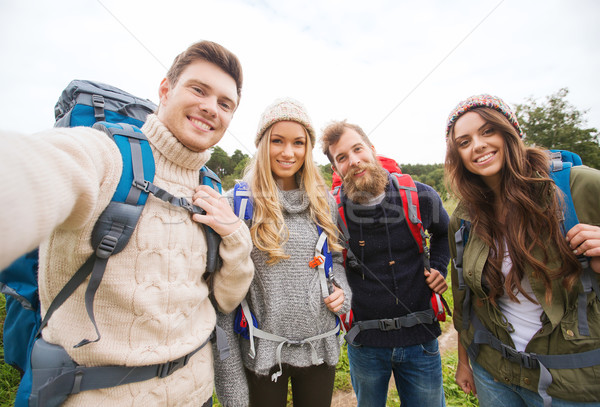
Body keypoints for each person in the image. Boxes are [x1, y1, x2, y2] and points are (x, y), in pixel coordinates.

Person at [0, 40, 254, 406]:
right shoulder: (106, 154)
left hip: (197, 394)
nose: (210, 108)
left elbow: (227, 298)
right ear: (165, 90)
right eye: (199, 89)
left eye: (225, 103)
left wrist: (233, 234)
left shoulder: (210, 187)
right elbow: (36, 171)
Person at [445, 94, 600, 406]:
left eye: (488, 131)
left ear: (510, 133)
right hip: (494, 374)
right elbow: (464, 298)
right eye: (464, 141)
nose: (477, 145)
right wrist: (464, 361)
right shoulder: (464, 218)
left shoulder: (578, 185)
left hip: (573, 383)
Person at [212, 98, 352, 407]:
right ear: (263, 144)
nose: (288, 152)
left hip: (320, 347)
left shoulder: (323, 202)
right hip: (261, 353)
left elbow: (336, 260)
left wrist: (342, 292)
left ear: (308, 148)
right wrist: (232, 387)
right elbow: (222, 300)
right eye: (278, 141)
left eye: (298, 143)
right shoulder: (236, 204)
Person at [320, 121, 450, 407]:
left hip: (421, 339)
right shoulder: (331, 211)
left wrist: (439, 267)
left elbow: (445, 234)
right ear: (336, 169)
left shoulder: (420, 195)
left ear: (373, 150)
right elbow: (330, 262)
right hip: (364, 344)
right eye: (342, 157)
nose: (354, 161)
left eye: (358, 149)